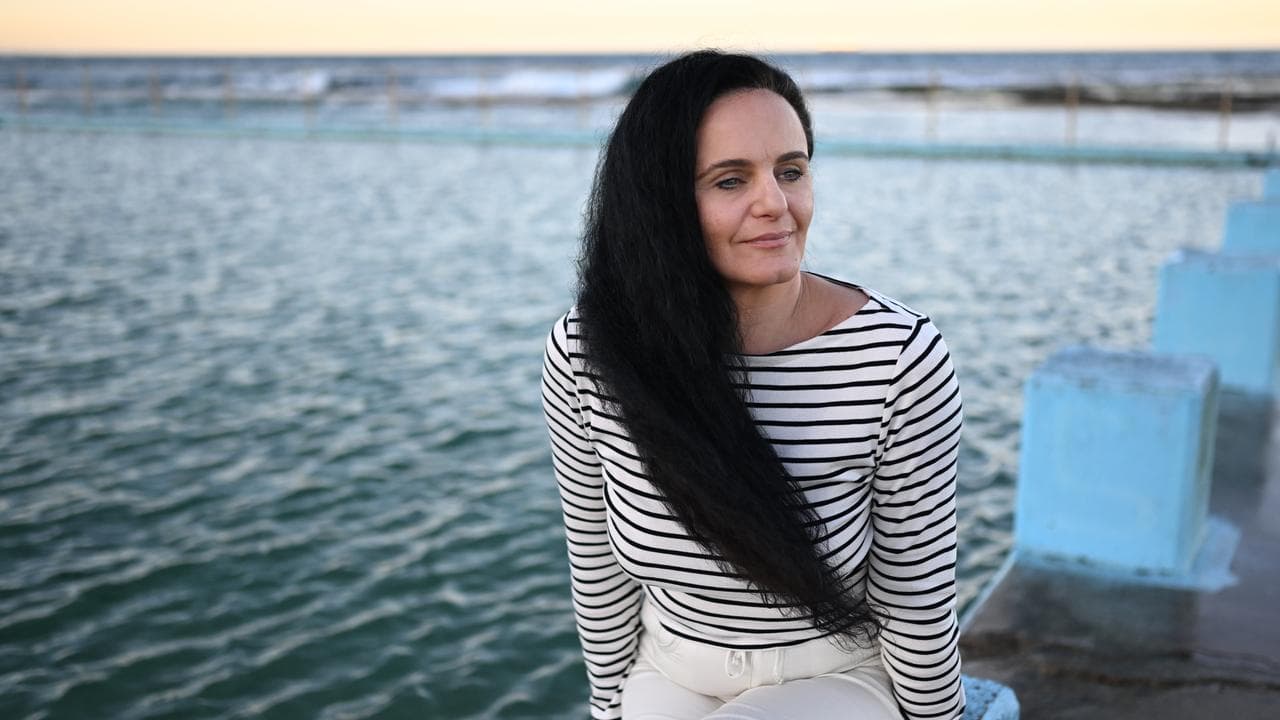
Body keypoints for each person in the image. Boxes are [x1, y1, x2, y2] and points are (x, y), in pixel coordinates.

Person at [541, 50, 964, 720]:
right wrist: (608, 710)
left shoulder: (897, 358)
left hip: (836, 678)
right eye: (730, 180)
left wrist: (937, 716)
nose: (776, 203)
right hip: (670, 674)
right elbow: (597, 572)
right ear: (662, 204)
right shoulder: (589, 354)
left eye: (790, 171)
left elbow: (914, 594)